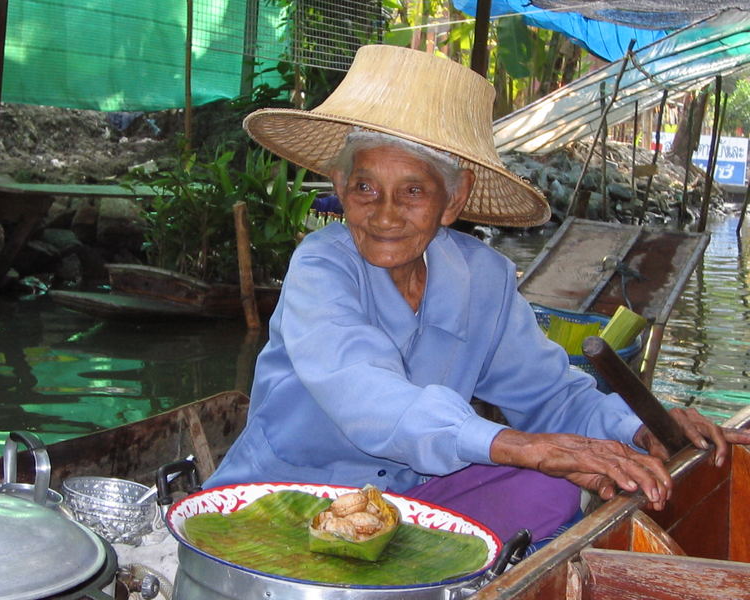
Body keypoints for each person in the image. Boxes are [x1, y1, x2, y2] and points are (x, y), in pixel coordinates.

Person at [204, 45, 750, 543]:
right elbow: (366, 393)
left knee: (555, 490)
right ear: (341, 187)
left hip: (400, 503)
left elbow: (550, 395)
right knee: (539, 464)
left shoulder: (482, 276)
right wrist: (525, 446)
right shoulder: (321, 263)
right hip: (287, 499)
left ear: (453, 199)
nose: (385, 214)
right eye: (365, 187)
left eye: (413, 191)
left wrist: (644, 425)